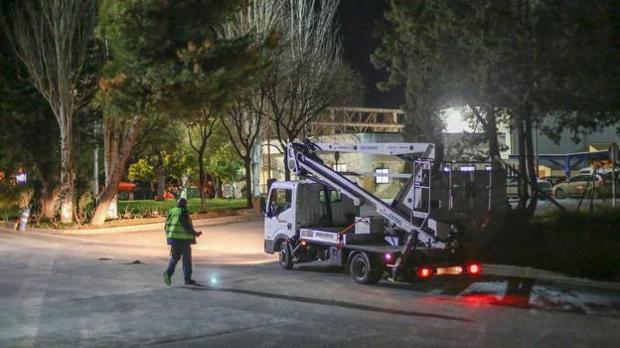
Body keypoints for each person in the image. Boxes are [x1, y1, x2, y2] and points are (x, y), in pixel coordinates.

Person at [163, 198, 202, 286]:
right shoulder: (183, 212)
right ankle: (187, 279)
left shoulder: (171, 211)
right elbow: (186, 226)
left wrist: (170, 237)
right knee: (187, 259)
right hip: (183, 240)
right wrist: (195, 233)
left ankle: (168, 273)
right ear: (185, 204)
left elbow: (166, 226)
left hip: (173, 239)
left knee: (175, 257)